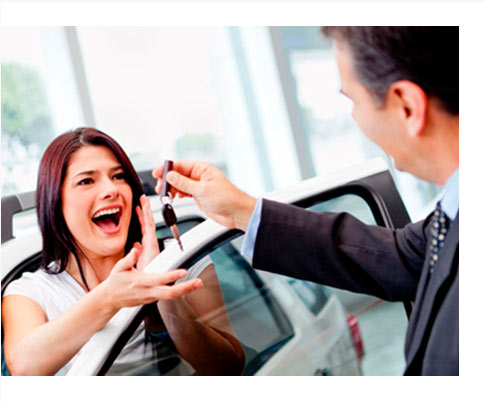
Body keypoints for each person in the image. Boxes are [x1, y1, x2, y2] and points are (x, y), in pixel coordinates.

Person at [152, 27, 459, 375]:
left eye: (354, 101)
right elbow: (400, 256)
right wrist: (241, 210)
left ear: (407, 106)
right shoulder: (451, 218)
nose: (355, 118)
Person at [2, 127, 245, 376]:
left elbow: (229, 368)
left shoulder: (184, 259)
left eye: (118, 176)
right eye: (86, 181)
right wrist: (109, 297)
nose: (111, 189)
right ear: (55, 202)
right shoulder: (31, 292)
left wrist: (162, 289)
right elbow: (24, 368)